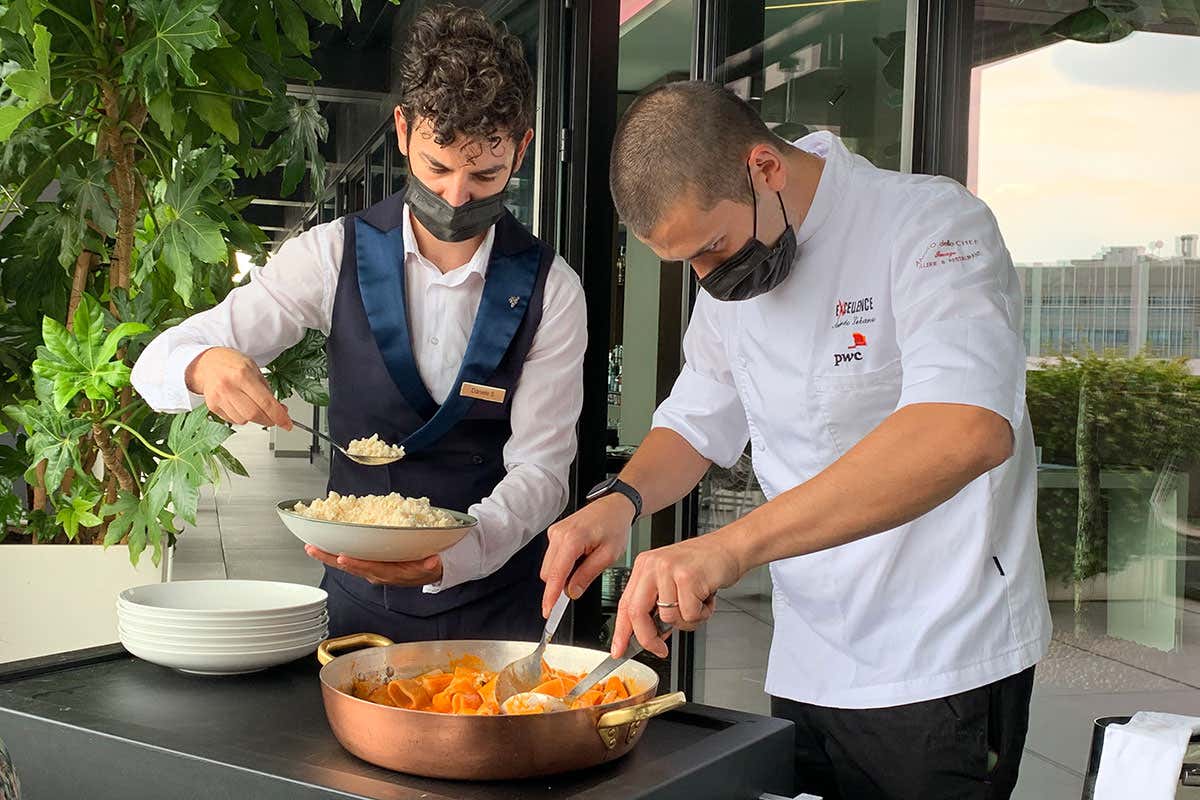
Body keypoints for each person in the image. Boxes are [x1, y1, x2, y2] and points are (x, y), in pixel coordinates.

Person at [541, 81, 1051, 799]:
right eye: (686, 261)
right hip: (810, 654)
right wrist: (621, 501)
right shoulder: (730, 283)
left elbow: (965, 428)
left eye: (713, 246)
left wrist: (729, 546)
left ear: (764, 168)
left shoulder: (931, 225)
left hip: (942, 657)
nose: (707, 277)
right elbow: (696, 421)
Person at [132, 6, 585, 643]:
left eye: (484, 174)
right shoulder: (331, 255)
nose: (457, 197)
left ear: (523, 147)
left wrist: (450, 555)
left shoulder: (552, 290)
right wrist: (201, 365)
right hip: (355, 609)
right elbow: (157, 360)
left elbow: (541, 470)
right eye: (436, 167)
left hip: (499, 607)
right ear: (402, 131)